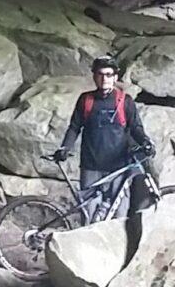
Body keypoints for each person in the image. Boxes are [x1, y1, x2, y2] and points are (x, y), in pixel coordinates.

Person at [49, 55, 155, 205]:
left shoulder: (125, 101)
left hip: (118, 166)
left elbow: (135, 128)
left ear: (115, 77)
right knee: (88, 214)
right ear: (94, 76)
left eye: (109, 74)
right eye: (100, 74)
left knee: (119, 215)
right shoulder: (85, 100)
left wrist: (145, 141)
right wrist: (65, 148)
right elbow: (74, 127)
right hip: (91, 166)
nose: (104, 78)